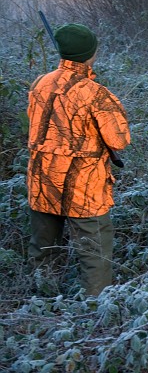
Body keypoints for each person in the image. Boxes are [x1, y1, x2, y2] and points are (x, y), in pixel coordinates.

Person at [26, 23, 131, 296]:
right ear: (91, 53)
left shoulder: (40, 83)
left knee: (43, 249)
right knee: (95, 255)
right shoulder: (96, 93)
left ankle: (42, 303)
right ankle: (95, 313)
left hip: (42, 181)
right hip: (84, 188)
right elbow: (119, 140)